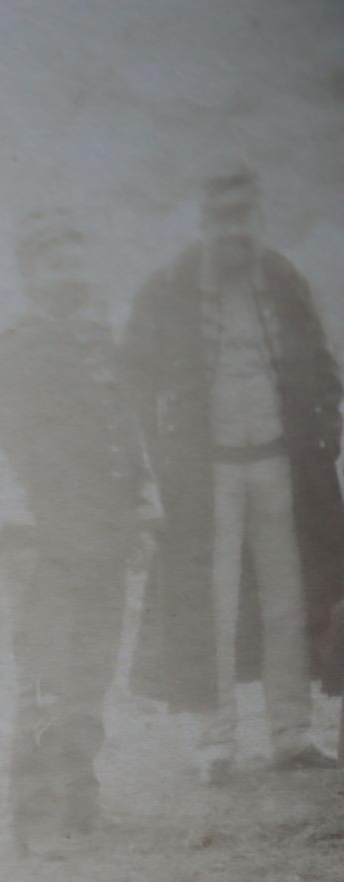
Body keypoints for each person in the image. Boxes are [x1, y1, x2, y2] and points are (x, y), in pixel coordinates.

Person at [124, 164, 344, 779]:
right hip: (206, 475)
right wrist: (157, 454)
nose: (233, 232)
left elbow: (323, 363)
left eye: (243, 217)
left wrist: (328, 426)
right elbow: (132, 375)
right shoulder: (168, 287)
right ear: (202, 222)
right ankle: (216, 741)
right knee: (209, 604)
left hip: (282, 467)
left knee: (288, 603)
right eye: (221, 220)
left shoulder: (283, 278)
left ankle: (291, 734)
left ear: (260, 218)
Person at [0, 208, 158, 845]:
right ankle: (36, 818)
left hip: (104, 539)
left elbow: (128, 439)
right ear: (29, 274)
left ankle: (81, 804)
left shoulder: (103, 346)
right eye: (52, 262)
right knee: (45, 681)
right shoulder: (7, 353)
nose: (67, 273)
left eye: (76, 259)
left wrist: (142, 515)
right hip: (43, 545)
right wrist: (15, 536)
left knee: (91, 678)